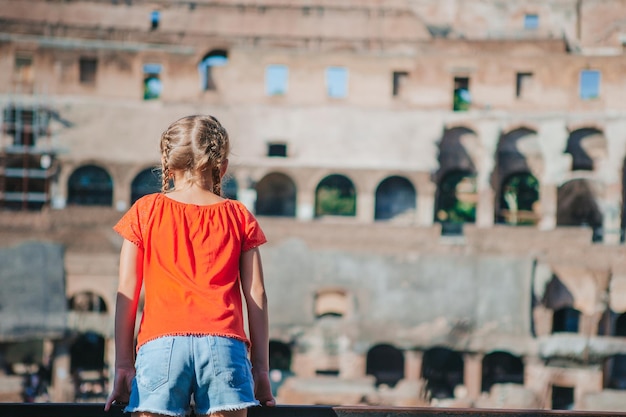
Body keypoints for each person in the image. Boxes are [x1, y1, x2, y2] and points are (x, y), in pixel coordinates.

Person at [104, 115, 275, 416]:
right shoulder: (238, 215)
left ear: (168, 165)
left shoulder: (144, 211)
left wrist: (122, 365)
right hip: (225, 345)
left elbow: (126, 292)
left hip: (160, 346)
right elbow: (256, 295)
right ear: (222, 166)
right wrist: (260, 369)